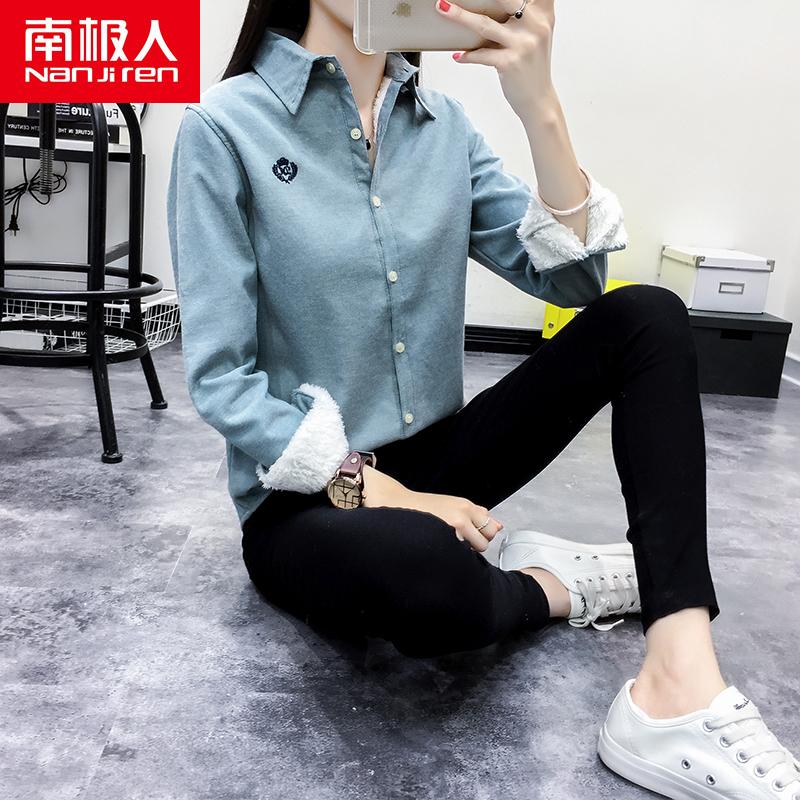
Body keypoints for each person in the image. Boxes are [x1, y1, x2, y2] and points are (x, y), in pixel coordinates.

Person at [166, 1, 799, 797]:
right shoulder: (224, 129)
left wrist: (539, 104)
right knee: (420, 569)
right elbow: (221, 379)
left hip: (439, 459)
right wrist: (386, 492)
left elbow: (577, 282)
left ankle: (679, 675)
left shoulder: (443, 129)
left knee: (648, 317)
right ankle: (556, 585)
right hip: (305, 502)